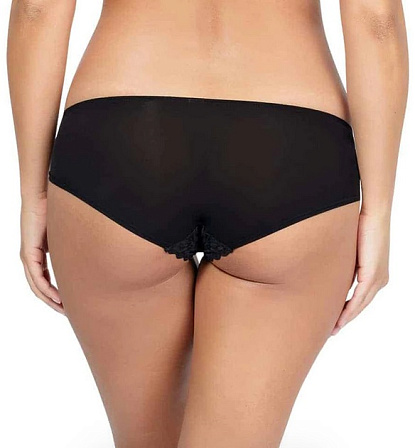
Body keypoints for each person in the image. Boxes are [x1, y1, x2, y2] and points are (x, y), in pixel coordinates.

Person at [7, 1, 408, 447]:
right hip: (288, 145)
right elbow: (376, 20)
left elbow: (37, 10)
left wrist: (34, 195)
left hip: (122, 135)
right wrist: (378, 211)